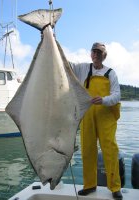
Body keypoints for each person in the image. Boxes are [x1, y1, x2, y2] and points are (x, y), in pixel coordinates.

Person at [71, 42, 122, 200]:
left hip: (106, 116)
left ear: (104, 55)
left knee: (110, 151)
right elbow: (66, 65)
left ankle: (115, 187)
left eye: (99, 52)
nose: (96, 54)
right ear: (90, 54)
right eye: (94, 52)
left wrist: (104, 100)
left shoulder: (110, 73)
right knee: (87, 151)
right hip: (87, 116)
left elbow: (117, 95)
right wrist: (52, 40)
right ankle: (89, 185)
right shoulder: (83, 69)